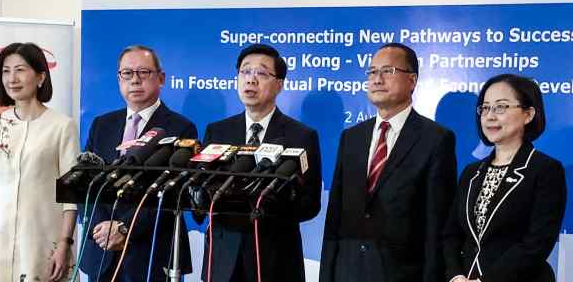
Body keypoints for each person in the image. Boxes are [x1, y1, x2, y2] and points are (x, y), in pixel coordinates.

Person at [320, 42, 457, 282]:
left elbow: (436, 224)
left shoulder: (435, 139)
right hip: (348, 271)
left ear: (412, 81)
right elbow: (334, 219)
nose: (377, 79)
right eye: (372, 72)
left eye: (388, 71)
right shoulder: (351, 137)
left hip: (401, 273)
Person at [199, 43, 322, 282]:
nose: (251, 80)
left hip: (275, 259)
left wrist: (271, 203)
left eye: (262, 73)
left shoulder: (301, 136)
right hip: (222, 260)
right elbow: (204, 194)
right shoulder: (217, 132)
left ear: (279, 84)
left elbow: (310, 203)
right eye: (245, 72)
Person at [79, 45, 197, 282]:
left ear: (160, 78)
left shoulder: (181, 127)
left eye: (143, 72)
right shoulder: (102, 125)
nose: (135, 80)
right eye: (127, 73)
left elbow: (171, 194)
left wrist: (124, 229)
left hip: (150, 252)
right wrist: (101, 228)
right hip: (101, 250)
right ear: (119, 78)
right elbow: (86, 184)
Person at [443, 74, 567, 282]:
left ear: (528, 114)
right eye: (485, 108)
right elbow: (451, 235)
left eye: (500, 107)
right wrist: (456, 276)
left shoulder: (546, 170)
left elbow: (536, 244)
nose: (490, 116)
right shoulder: (471, 173)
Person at [0, 42, 79, 281]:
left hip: (43, 239)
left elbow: (71, 194)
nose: (12, 79)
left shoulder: (62, 126)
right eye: (6, 71)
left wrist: (64, 243)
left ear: (41, 76)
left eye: (20, 70)